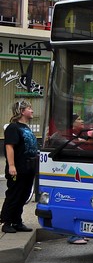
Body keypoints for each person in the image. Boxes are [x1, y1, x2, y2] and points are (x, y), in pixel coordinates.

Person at [2, 100, 39, 234]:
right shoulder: (13, 127)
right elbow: (9, 147)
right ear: (22, 111)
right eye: (29, 108)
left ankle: (17, 221)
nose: (32, 110)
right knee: (14, 195)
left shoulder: (26, 128)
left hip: (29, 167)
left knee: (24, 195)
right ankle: (6, 222)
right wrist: (12, 166)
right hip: (18, 167)